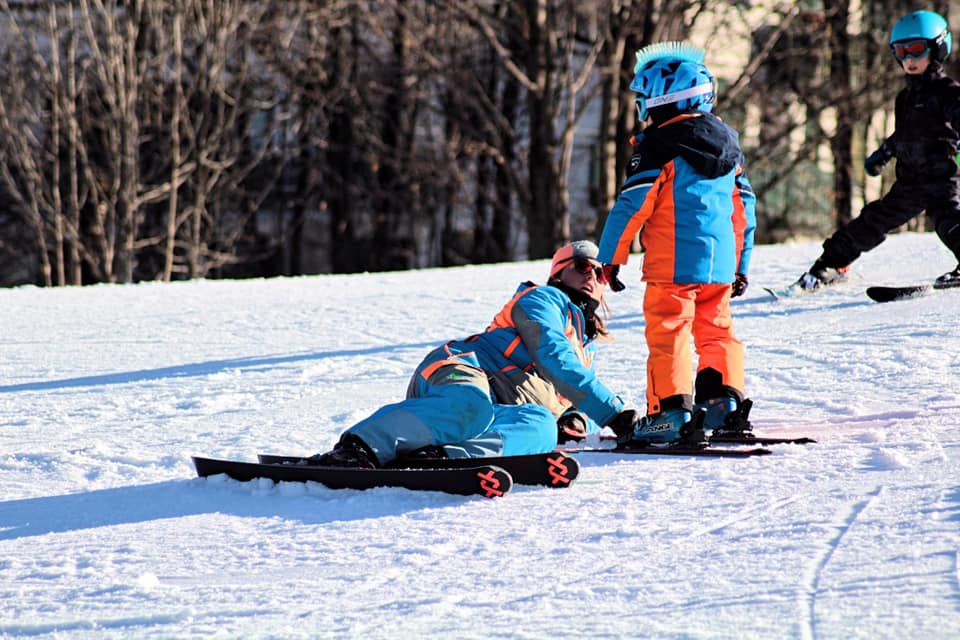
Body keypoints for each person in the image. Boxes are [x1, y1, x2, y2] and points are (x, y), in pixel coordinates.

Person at [309, 241, 643, 468]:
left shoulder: (586, 347)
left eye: (602, 273)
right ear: (558, 273)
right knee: (470, 406)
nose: (592, 276)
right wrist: (614, 414)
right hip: (461, 369)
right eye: (583, 265)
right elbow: (554, 357)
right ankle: (359, 446)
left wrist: (572, 418)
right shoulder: (542, 299)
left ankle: (443, 458)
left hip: (498, 407)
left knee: (540, 427)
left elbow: (567, 389)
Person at [596, 41, 757, 445]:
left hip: (672, 264)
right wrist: (741, 264)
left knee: (669, 332)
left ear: (665, 102)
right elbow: (743, 208)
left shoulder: (657, 146)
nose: (642, 108)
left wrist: (611, 258)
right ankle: (725, 407)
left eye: (644, 100)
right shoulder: (728, 144)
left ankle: (671, 412)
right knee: (717, 332)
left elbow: (633, 205)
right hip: (719, 266)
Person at [797, 10, 960, 290]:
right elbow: (906, 134)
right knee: (872, 221)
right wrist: (885, 152)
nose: (909, 59)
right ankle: (830, 265)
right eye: (901, 51)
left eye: (917, 50)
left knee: (949, 222)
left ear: (938, 47)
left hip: (941, 178)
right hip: (910, 181)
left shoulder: (948, 92)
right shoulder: (905, 98)